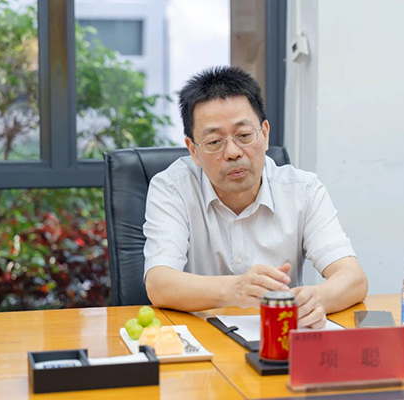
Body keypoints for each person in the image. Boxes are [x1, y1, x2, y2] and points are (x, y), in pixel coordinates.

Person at [143, 66, 367, 328]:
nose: (233, 152)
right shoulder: (172, 189)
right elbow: (159, 284)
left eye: (244, 136)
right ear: (193, 150)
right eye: (214, 142)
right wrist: (234, 289)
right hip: (201, 338)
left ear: (265, 134)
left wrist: (315, 300)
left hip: (279, 337)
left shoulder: (303, 190)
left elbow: (353, 279)